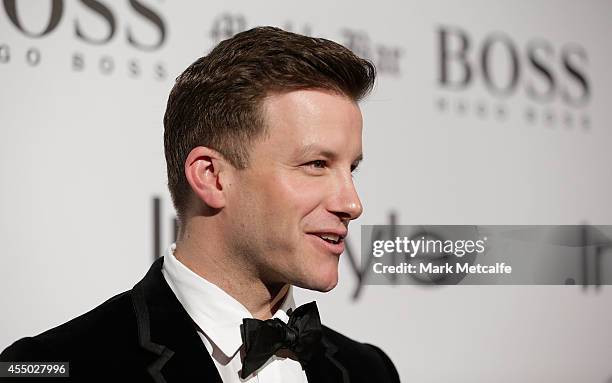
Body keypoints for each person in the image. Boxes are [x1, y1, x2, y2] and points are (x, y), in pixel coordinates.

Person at [0, 26, 399, 383]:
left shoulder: (369, 370)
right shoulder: (55, 366)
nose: (352, 203)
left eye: (352, 169)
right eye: (316, 164)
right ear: (211, 176)